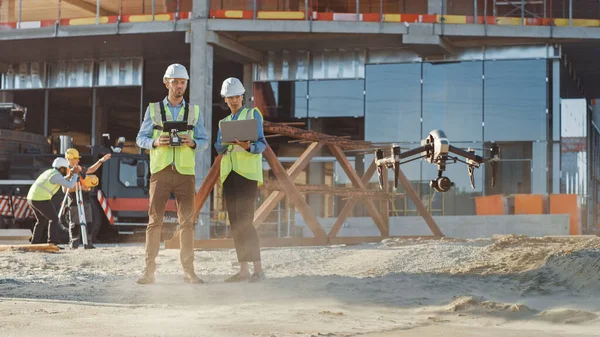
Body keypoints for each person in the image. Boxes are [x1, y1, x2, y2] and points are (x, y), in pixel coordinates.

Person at [135, 63, 209, 285]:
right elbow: (140, 138)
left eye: (183, 82)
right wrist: (155, 142)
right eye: (176, 82)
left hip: (185, 174)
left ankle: (189, 272)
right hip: (160, 172)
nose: (180, 85)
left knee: (187, 223)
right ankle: (149, 272)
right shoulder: (154, 109)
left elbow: (205, 141)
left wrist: (194, 142)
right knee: (154, 221)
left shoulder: (194, 111)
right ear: (166, 83)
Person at [214, 77, 267, 283]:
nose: (234, 100)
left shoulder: (253, 114)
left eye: (237, 96)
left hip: (247, 175)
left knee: (245, 221)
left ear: (242, 97)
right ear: (225, 100)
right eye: (230, 97)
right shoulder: (223, 123)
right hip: (229, 175)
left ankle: (258, 270)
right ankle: (243, 270)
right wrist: (224, 144)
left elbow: (261, 144)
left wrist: (248, 147)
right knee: (235, 222)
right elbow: (218, 146)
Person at [27, 157, 82, 246]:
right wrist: (75, 174)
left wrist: (70, 175)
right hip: (40, 199)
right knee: (54, 219)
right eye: (65, 169)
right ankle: (52, 242)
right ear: (61, 168)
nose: (66, 171)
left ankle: (35, 242)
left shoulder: (51, 172)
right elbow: (70, 185)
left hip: (32, 198)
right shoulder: (56, 175)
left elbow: (62, 179)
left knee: (41, 220)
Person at [64, 148, 111, 249]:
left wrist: (101, 161)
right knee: (75, 223)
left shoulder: (79, 168)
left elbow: (91, 170)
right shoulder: (65, 171)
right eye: (76, 158)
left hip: (84, 198)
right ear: (70, 159)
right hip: (74, 200)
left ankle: (88, 242)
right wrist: (82, 187)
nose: (78, 160)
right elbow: (64, 189)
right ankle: (74, 243)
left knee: (89, 221)